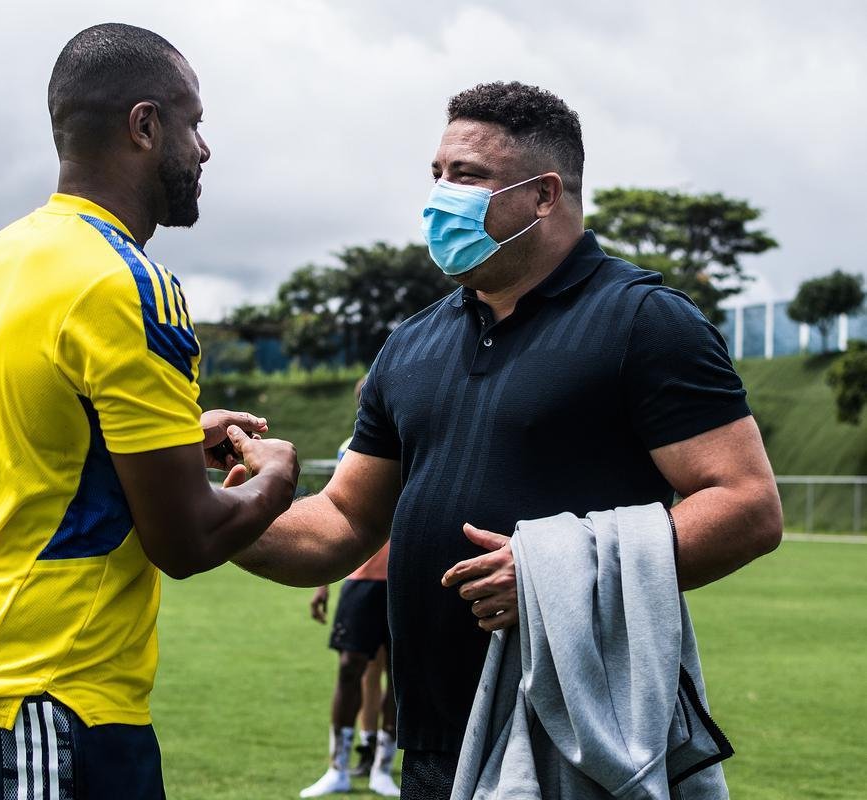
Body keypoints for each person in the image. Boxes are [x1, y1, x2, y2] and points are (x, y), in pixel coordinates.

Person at [230, 80, 783, 800]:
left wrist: (561, 577)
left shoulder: (645, 321)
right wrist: (211, 510)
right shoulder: (411, 344)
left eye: (467, 176)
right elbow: (340, 523)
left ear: (545, 194)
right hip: (428, 742)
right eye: (436, 175)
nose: (438, 197)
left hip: (578, 742)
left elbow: (748, 504)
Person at [0, 23, 298, 800]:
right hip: (50, 697)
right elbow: (185, 539)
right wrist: (278, 479)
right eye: (194, 122)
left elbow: (50, 453)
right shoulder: (130, 282)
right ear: (145, 125)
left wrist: (181, 434)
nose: (204, 148)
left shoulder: (2, 258)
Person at [301, 389, 399, 798]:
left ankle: (382, 766)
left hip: (404, 577)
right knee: (349, 669)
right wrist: (322, 579)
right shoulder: (352, 450)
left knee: (399, 675)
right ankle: (338, 767)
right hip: (359, 576)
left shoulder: (421, 438)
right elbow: (334, 513)